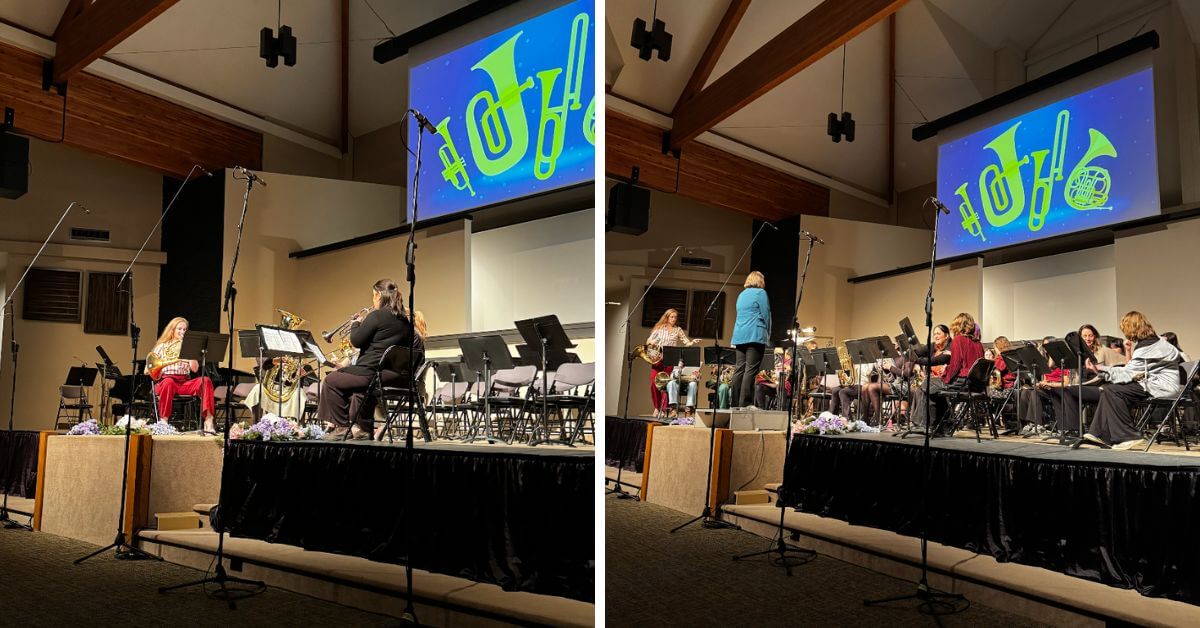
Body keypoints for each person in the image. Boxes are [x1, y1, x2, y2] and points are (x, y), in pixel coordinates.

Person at [318, 278, 415, 440]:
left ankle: (343, 427)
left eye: (373, 295)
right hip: (395, 375)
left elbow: (356, 341)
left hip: (372, 371)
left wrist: (356, 324)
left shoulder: (376, 316)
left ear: (378, 295)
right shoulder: (406, 322)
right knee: (359, 391)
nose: (372, 300)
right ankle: (362, 430)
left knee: (331, 380)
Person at [1081, 311, 1183, 449]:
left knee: (1113, 390)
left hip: (1161, 387)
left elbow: (1127, 374)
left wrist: (1099, 369)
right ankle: (1099, 434)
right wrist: (1101, 369)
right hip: (1152, 383)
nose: (1125, 334)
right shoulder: (1152, 342)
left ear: (1131, 328)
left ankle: (1128, 436)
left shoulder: (1147, 347)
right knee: (1107, 389)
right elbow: (1130, 371)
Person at [147, 317, 216, 434]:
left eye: (184, 329)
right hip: (166, 381)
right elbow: (147, 370)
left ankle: (208, 421)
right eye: (179, 329)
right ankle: (164, 421)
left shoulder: (188, 347)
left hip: (184, 382)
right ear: (172, 330)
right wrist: (163, 366)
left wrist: (190, 354)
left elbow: (194, 369)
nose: (182, 332)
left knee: (206, 380)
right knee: (168, 382)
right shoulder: (161, 347)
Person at [645, 308, 697, 418]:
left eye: (675, 317)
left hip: (670, 360)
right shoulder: (660, 328)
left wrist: (691, 342)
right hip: (658, 359)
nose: (673, 319)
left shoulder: (678, 330)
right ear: (667, 317)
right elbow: (649, 341)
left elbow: (686, 342)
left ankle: (663, 409)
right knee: (654, 384)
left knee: (666, 384)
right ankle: (656, 407)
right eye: (671, 317)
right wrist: (653, 343)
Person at [731, 271, 771, 408]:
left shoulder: (741, 294)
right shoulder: (761, 293)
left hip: (739, 335)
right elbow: (766, 314)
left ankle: (735, 403)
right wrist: (769, 334)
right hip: (755, 335)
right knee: (751, 370)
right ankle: (746, 403)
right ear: (760, 281)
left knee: (739, 369)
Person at [908, 324, 952, 430]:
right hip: (933, 380)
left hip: (945, 380)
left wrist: (917, 360)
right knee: (918, 389)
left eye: (938, 333)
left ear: (946, 336)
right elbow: (916, 352)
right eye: (934, 334)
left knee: (924, 387)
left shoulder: (951, 346)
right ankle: (920, 422)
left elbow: (935, 361)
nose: (936, 336)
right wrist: (913, 357)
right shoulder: (933, 346)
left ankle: (920, 422)